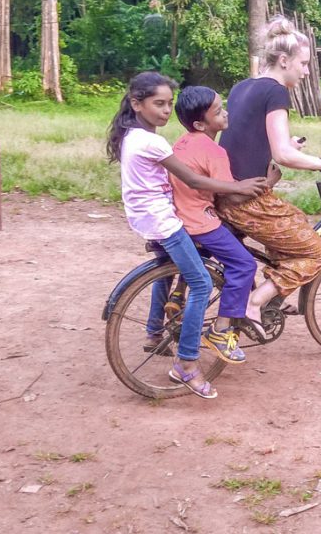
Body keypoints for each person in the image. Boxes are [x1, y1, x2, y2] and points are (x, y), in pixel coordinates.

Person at [106, 72, 266, 399]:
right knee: (202, 283)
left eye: (168, 104)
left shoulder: (130, 134)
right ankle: (188, 362)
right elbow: (193, 179)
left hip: (146, 218)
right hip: (165, 221)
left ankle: (154, 332)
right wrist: (239, 186)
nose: (166, 111)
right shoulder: (152, 141)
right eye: (158, 104)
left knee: (168, 269)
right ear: (137, 104)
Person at [218, 15, 321, 325]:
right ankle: (255, 302)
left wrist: (285, 146)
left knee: (294, 221)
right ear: (284, 60)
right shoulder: (276, 92)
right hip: (246, 199)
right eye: (303, 63)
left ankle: (275, 295)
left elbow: (247, 137)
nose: (307, 71)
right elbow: (282, 154)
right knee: (315, 252)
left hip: (225, 190)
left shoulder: (243, 86)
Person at [168, 86, 279, 364]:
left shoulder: (183, 142)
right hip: (199, 220)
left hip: (177, 217)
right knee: (244, 264)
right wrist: (270, 182)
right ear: (200, 123)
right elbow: (232, 192)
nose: (226, 113)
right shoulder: (213, 150)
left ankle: (175, 299)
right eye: (218, 111)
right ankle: (221, 330)